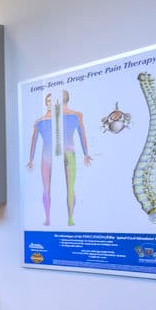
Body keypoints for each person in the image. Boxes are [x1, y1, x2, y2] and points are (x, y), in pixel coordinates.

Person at [60, 89, 92, 226]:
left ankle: (70, 218)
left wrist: (86, 153)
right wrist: (86, 154)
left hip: (62, 153)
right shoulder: (76, 115)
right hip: (68, 152)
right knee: (70, 187)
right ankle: (70, 218)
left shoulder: (55, 116)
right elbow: (82, 134)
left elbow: (82, 134)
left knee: (69, 187)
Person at [26, 93, 54, 226]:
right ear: (46, 103)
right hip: (46, 156)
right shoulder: (39, 121)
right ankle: (47, 217)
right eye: (48, 101)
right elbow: (34, 141)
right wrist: (31, 159)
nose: (50, 103)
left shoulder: (62, 119)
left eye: (52, 101)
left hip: (61, 155)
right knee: (46, 188)